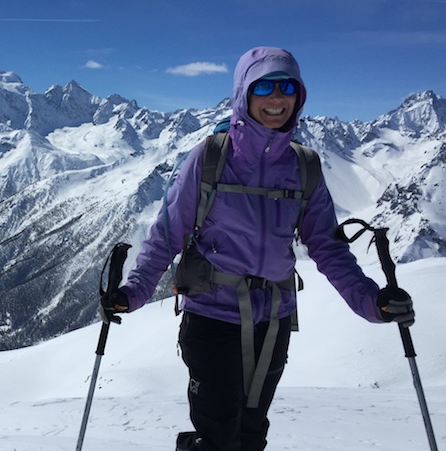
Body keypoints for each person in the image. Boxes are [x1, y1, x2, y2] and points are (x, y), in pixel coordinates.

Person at [99, 46, 415, 451]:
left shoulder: (305, 167)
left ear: (299, 97)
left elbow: (328, 248)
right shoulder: (210, 157)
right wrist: (132, 293)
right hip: (211, 318)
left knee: (251, 435)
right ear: (243, 93)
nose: (276, 98)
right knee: (219, 436)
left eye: (287, 87)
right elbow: (166, 235)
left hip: (274, 321)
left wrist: (374, 303)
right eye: (264, 86)